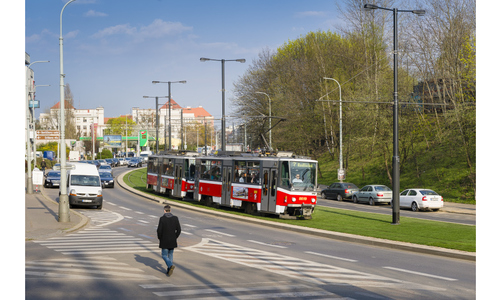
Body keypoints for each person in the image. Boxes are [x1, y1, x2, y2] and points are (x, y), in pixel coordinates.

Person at [157, 205, 181, 277]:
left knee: (164, 255)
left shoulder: (162, 219)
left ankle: (170, 265)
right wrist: (175, 237)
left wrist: (160, 238)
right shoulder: (175, 218)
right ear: (170, 210)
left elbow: (159, 230)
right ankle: (169, 269)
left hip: (164, 240)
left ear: (164, 210)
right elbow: (179, 230)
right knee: (170, 254)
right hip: (172, 240)